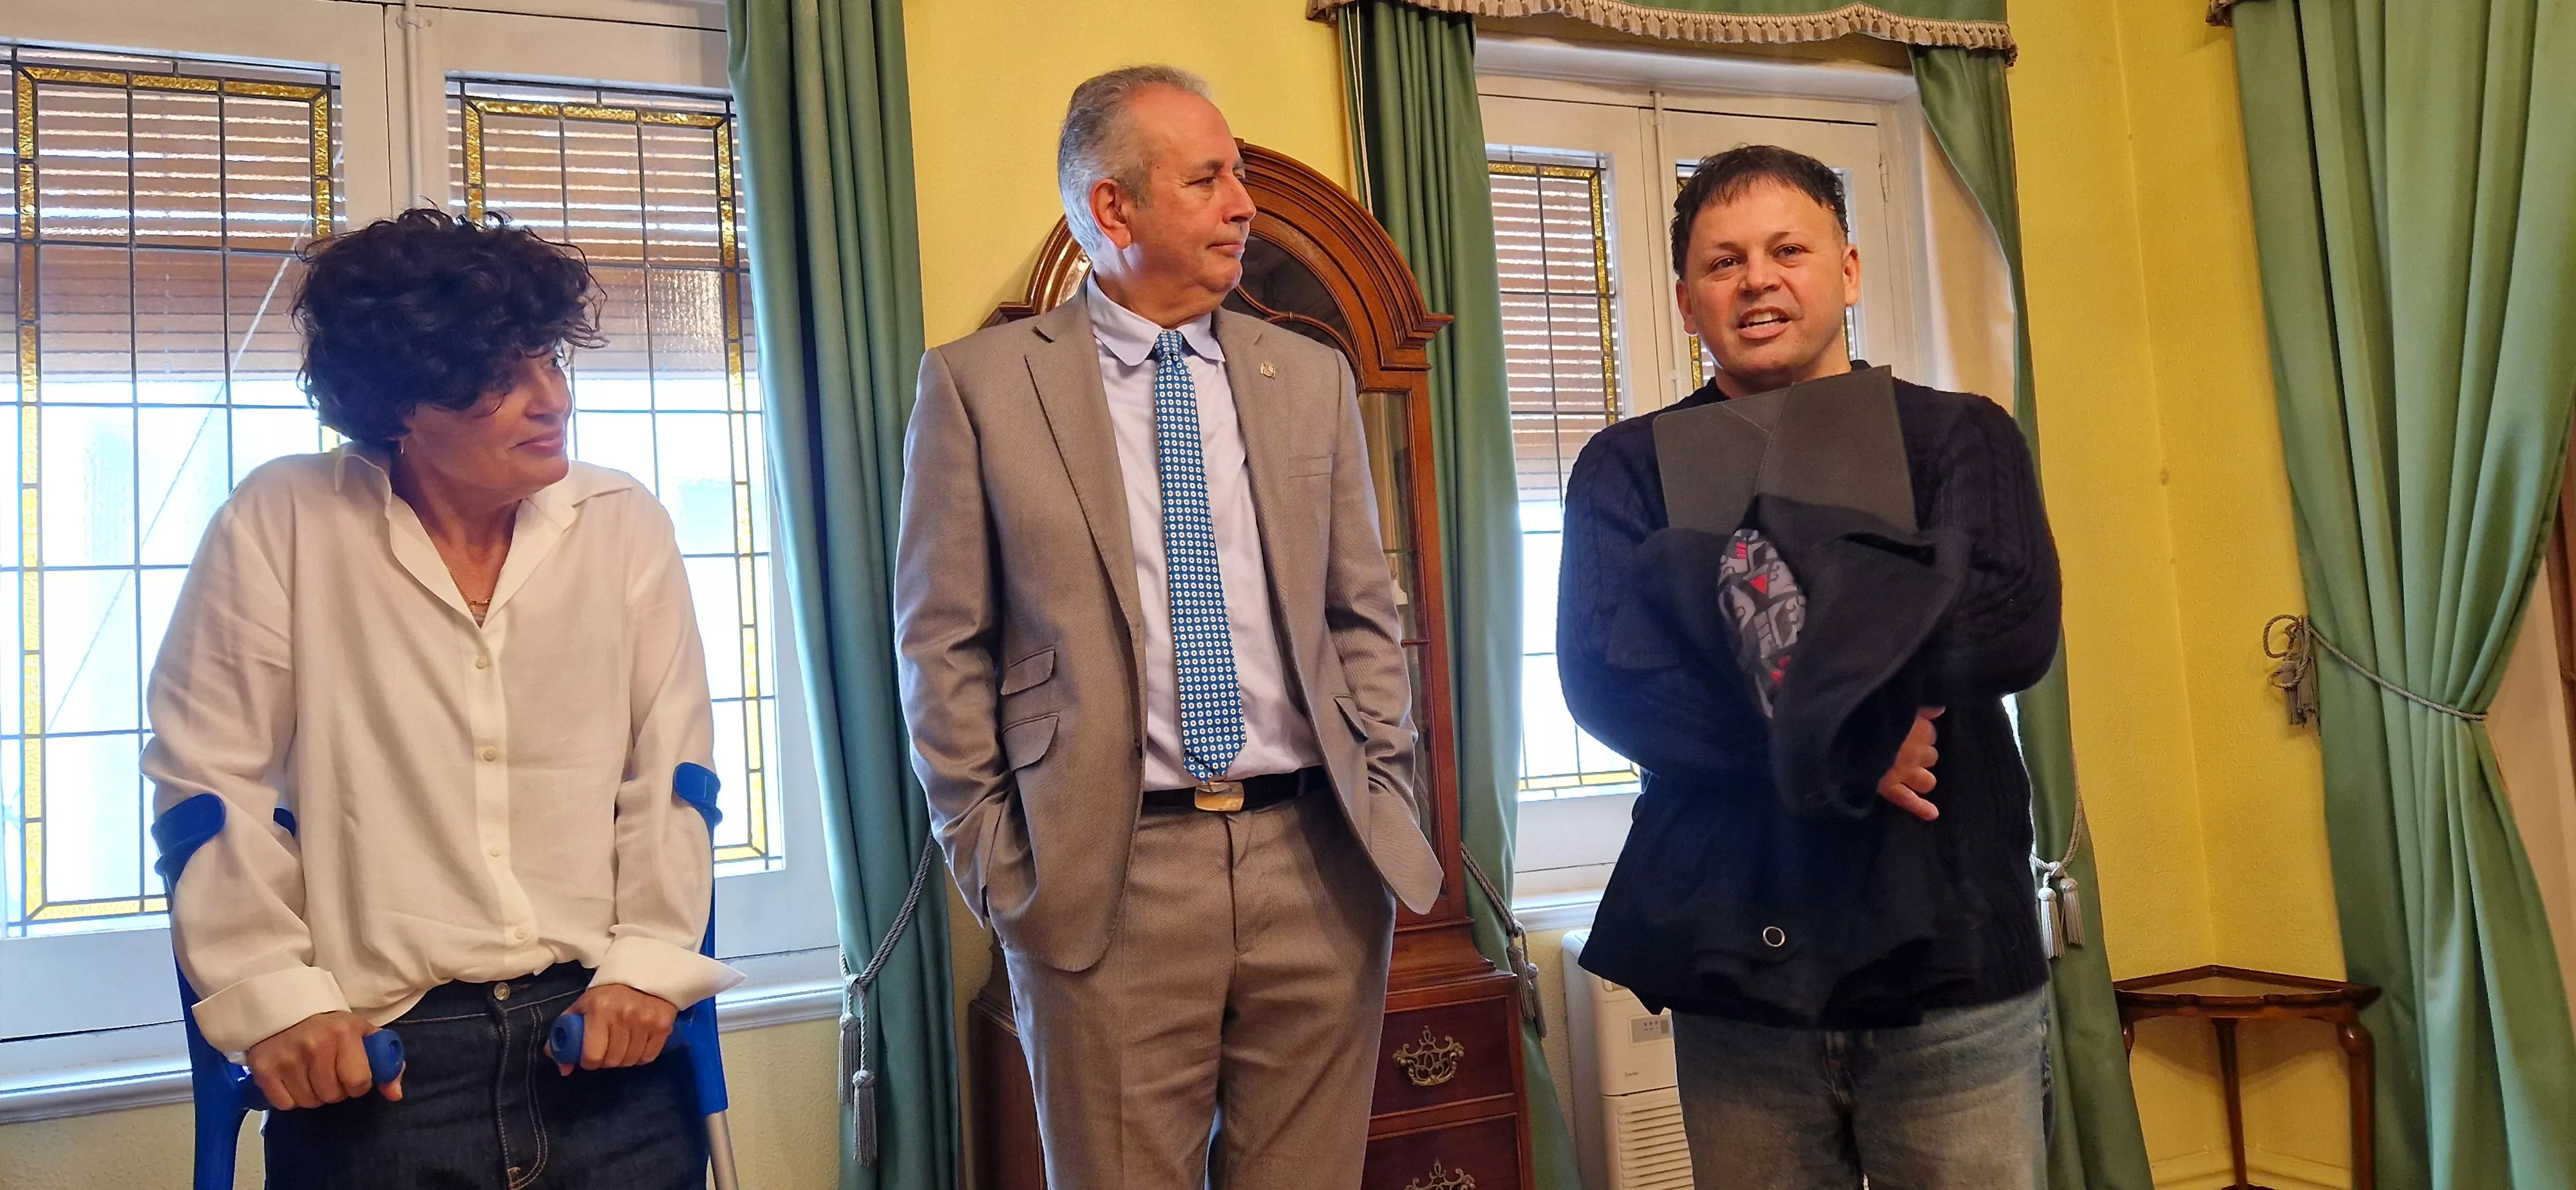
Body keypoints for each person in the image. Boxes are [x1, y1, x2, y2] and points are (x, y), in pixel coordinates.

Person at [893, 65, 1440, 1189]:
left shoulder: (1315, 374)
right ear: (1112, 208)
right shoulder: (979, 387)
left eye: (1239, 173)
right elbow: (938, 648)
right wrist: (1000, 870)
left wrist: (1384, 787)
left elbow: (1364, 611)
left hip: (1319, 867)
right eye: (1210, 179)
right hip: (1107, 881)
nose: (1246, 202)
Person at [146, 209, 741, 1189]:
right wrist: (273, 996)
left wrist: (649, 964)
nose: (550, 399)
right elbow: (208, 784)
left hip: (602, 1044)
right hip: (381, 1068)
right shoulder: (281, 521)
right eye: (501, 379)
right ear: (396, 409)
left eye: (549, 360)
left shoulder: (622, 523)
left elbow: (672, 774)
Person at [1558, 145, 2063, 1189]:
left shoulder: (1962, 436)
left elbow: (2012, 623)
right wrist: (1848, 742)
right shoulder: (1627, 466)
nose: (1758, 281)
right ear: (1688, 297)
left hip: (1955, 967)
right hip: (1739, 969)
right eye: (1724, 261)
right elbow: (1612, 680)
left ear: (1849, 269)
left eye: (1789, 249)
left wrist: (1785, 675)